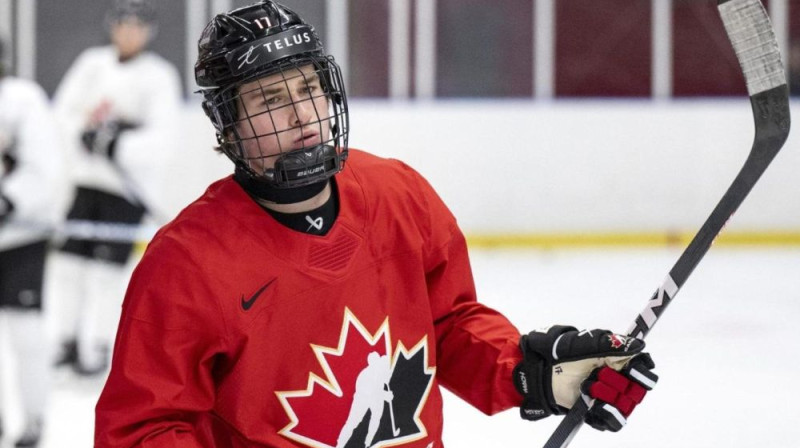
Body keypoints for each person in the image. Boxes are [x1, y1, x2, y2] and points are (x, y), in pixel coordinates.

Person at [95, 2, 659, 447]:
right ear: (228, 124)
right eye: (270, 100)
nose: (302, 115)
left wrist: (532, 373)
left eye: (308, 88)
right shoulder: (186, 261)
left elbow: (448, 323)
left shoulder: (397, 193)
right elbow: (144, 427)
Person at [48, 0, 182, 376]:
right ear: (113, 27)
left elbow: (164, 138)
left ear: (147, 31)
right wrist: (85, 136)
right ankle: (65, 339)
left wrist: (118, 145)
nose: (129, 32)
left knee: (107, 273)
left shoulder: (159, 76)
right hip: (86, 182)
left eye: (137, 26)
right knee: (69, 265)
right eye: (123, 24)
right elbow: (64, 112)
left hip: (126, 192)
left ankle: (100, 344)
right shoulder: (92, 63)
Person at [0, 37, 65, 447]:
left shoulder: (22, 98)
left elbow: (45, 168)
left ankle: (35, 419)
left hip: (21, 237)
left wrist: (9, 199)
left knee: (26, 334)